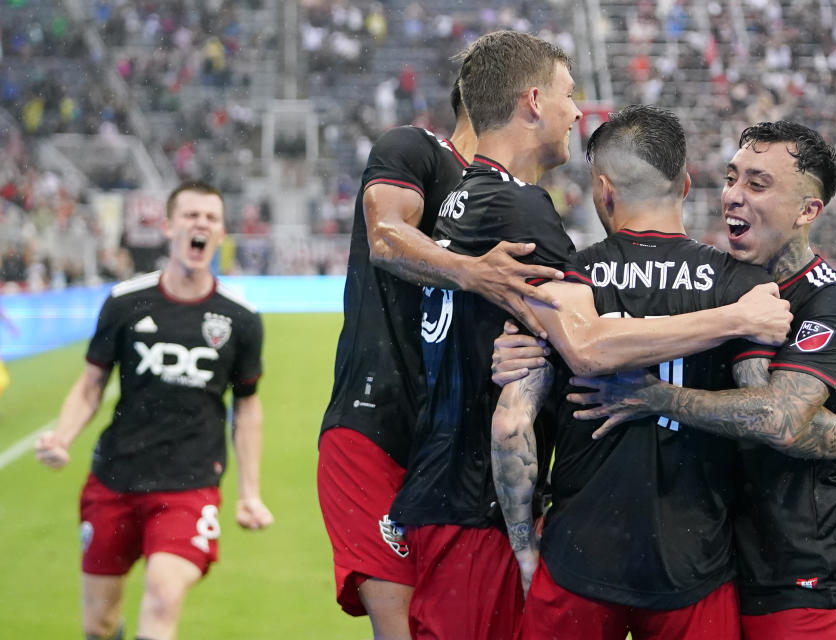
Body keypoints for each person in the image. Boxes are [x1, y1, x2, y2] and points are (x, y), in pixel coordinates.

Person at [388, 35, 791, 640]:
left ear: (603, 190)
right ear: (685, 186)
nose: (576, 111)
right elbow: (771, 421)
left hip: (571, 552)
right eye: (569, 96)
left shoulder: (561, 264)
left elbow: (511, 421)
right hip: (693, 560)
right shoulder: (741, 284)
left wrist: (528, 548)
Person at [570, 121, 836, 639]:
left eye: (758, 185)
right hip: (721, 562)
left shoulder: (831, 303)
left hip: (803, 572)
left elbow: (781, 419)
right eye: (732, 178)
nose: (733, 196)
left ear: (808, 211)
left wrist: (658, 397)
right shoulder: (724, 287)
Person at [317, 79, 565, 640]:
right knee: (403, 627)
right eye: (561, 93)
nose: (572, 111)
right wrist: (472, 271)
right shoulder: (414, 150)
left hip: (456, 457)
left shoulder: (511, 197)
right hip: (375, 423)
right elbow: (386, 236)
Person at [35, 181, 273, 640]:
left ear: (222, 233)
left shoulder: (240, 317)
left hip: (190, 484)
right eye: (190, 215)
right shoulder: (127, 301)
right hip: (115, 477)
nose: (200, 224)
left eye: (210, 218)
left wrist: (250, 493)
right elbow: (90, 386)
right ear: (168, 226)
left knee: (163, 596)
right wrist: (61, 437)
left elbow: (246, 408)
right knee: (98, 622)